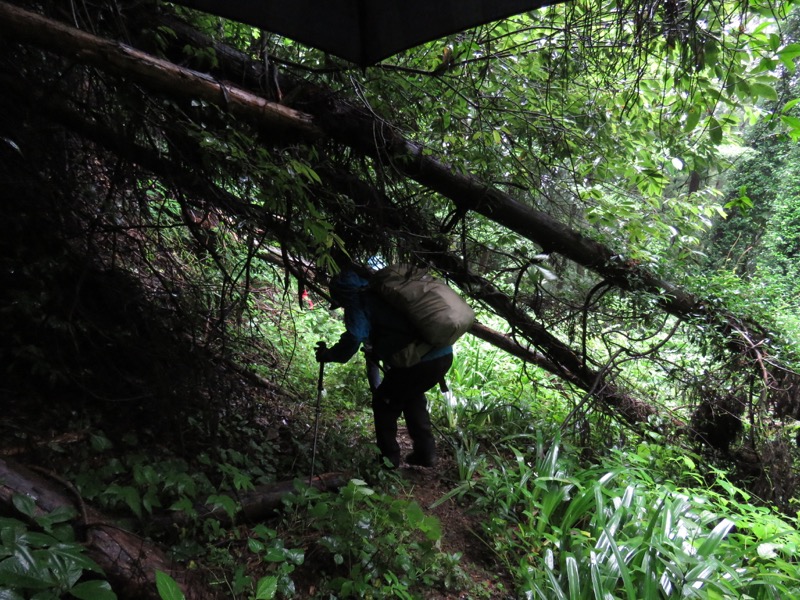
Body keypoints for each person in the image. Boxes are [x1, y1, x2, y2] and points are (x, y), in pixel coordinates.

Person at [315, 269, 453, 468]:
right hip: (442, 353)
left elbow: (354, 337)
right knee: (411, 395)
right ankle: (426, 453)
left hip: (419, 362)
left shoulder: (358, 301)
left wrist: (330, 355)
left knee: (383, 402)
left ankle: (388, 461)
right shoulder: (385, 294)